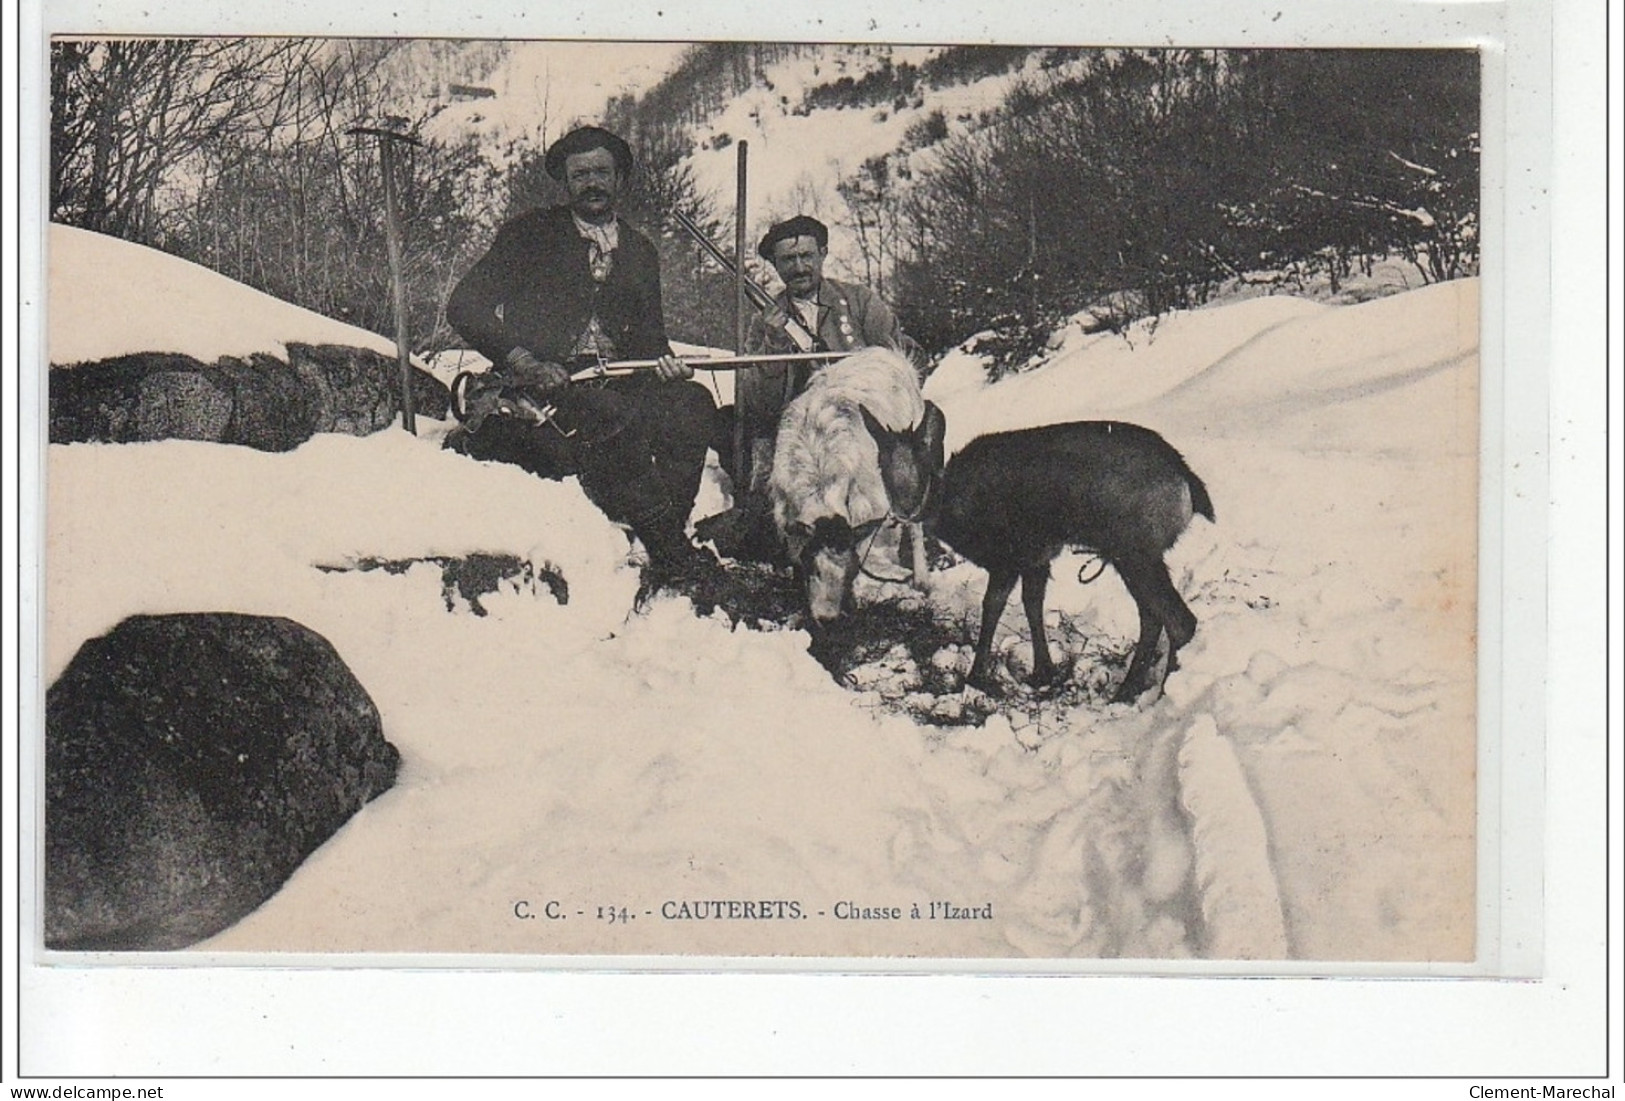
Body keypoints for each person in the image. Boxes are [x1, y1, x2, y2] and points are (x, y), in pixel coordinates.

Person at [444, 125, 719, 585]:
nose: (591, 183)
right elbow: (464, 306)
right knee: (612, 416)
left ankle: (662, 528)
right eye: (580, 174)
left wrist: (667, 367)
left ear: (619, 179)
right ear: (566, 183)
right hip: (542, 386)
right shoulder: (528, 235)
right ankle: (671, 554)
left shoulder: (640, 251)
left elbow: (651, 339)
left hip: (621, 377)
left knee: (692, 405)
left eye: (601, 172)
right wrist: (524, 362)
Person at [702, 214, 923, 561]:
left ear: (823, 254)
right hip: (801, 434)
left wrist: (857, 376)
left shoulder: (860, 302)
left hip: (864, 426)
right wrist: (774, 344)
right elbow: (757, 403)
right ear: (775, 266)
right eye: (788, 260)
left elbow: (903, 358)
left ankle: (913, 526)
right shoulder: (764, 322)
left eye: (807, 255)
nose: (799, 266)